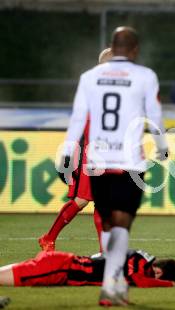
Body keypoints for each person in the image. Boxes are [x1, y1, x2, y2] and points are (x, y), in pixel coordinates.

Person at [59, 26, 168, 306]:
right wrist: (162, 146)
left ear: (112, 47)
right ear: (134, 50)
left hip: (98, 160)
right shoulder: (145, 76)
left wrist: (67, 151)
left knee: (107, 221)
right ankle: (111, 285)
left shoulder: (89, 77)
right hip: (129, 161)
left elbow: (77, 117)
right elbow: (154, 115)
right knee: (122, 225)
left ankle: (113, 282)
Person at [38, 48, 114, 253]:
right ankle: (48, 237)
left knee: (103, 203)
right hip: (90, 153)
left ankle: (105, 252)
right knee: (81, 200)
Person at [0, 249, 175, 288]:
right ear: (159, 272)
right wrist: (171, 285)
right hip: (61, 269)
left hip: (61, 265)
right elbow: (138, 280)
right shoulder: (140, 262)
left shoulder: (138, 257)